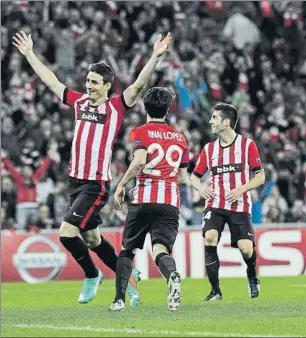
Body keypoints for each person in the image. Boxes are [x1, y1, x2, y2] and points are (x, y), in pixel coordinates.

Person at [12, 30, 172, 305]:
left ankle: (91, 274)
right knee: (93, 239)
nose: (88, 85)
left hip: (95, 184)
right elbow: (52, 81)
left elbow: (138, 85)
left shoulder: (116, 107)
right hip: (75, 181)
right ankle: (129, 275)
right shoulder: (79, 102)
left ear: (107, 86)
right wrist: (29, 55)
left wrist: (155, 57)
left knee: (66, 233)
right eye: (87, 80)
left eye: (94, 82)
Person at [109, 87, 189, 312]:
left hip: (145, 197)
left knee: (128, 250)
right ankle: (172, 275)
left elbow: (139, 161)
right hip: (170, 202)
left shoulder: (140, 132)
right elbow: (182, 177)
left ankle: (118, 300)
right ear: (167, 109)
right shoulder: (180, 138)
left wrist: (122, 184)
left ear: (145, 107)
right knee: (160, 249)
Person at [190, 103, 265, 301]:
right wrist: (201, 188)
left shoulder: (247, 145)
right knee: (210, 237)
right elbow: (194, 177)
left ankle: (252, 276)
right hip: (215, 204)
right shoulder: (209, 149)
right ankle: (215, 291)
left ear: (226, 122)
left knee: (246, 249)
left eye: (214, 118)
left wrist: (241, 189)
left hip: (239, 204)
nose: (210, 121)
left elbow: (260, 177)